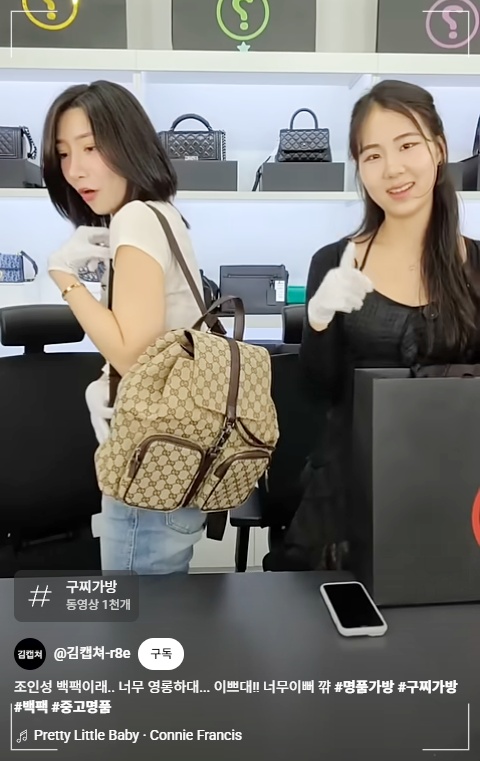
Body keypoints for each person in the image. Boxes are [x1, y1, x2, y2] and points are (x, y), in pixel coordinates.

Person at [263, 79, 480, 572]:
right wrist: (318, 321)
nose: (393, 169)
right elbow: (316, 393)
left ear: (439, 149)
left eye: (407, 146)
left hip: (457, 487)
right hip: (351, 491)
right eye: (373, 155)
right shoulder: (334, 261)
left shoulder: (477, 265)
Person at [42, 80, 207, 574]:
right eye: (64, 153)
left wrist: (64, 276)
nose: (75, 169)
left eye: (91, 147)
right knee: (160, 614)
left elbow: (133, 354)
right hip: (176, 462)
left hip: (146, 467)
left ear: (129, 143)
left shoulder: (135, 218)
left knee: (135, 617)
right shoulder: (163, 215)